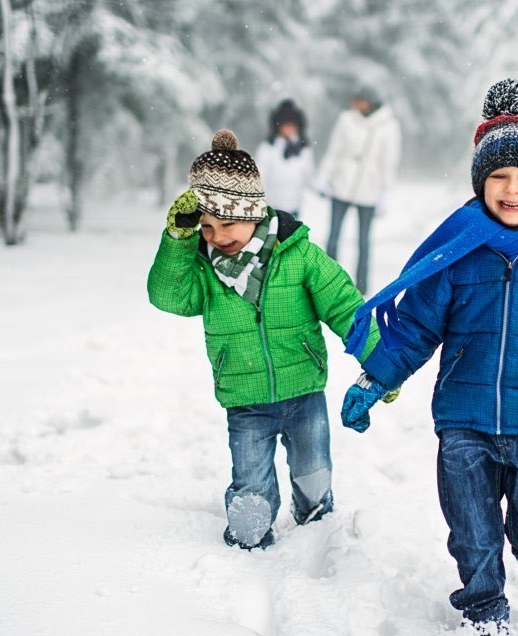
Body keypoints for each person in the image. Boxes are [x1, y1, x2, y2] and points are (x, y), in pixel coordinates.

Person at [338, 80, 518, 634]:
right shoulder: (459, 250)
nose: (513, 190)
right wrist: (375, 378)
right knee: (471, 529)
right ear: (480, 181)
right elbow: (415, 325)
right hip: (463, 422)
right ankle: (484, 606)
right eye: (499, 177)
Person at [147, 129, 379, 551]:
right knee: (250, 485)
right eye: (206, 227)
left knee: (314, 473)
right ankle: (249, 535)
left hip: (304, 392)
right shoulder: (203, 270)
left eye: (228, 223)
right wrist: (179, 240)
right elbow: (167, 296)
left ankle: (316, 526)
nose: (217, 236)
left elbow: (346, 307)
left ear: (253, 212)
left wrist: (384, 362)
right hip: (245, 398)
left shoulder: (298, 255)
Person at [315, 84, 402, 294]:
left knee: (363, 241)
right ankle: (327, 282)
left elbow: (389, 160)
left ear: (370, 102)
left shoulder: (388, 126)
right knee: (333, 235)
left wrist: (386, 192)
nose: (355, 104)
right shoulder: (346, 119)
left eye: (359, 100)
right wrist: (324, 174)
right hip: (342, 185)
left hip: (369, 190)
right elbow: (335, 149)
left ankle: (362, 286)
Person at [255, 99, 316, 219]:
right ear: (278, 126)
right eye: (286, 125)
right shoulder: (268, 148)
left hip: (294, 205)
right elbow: (259, 174)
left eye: (292, 126)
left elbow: (310, 175)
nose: (289, 129)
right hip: (272, 205)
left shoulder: (303, 149)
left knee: (291, 236)